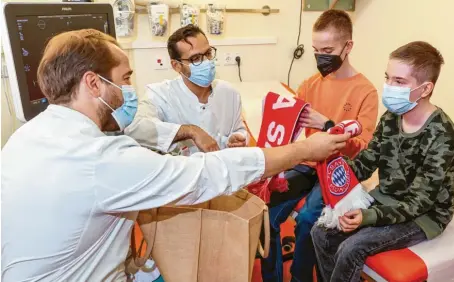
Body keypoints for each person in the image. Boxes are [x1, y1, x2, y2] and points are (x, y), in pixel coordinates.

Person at [0, 29, 350, 282]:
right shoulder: (98, 158)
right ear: (93, 84)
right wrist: (304, 150)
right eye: (124, 79)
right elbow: (203, 174)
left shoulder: (26, 136)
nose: (128, 92)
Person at [311, 41, 454, 282]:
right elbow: (367, 161)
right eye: (388, 78)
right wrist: (333, 167)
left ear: (425, 89)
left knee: (352, 248)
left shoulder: (442, 135)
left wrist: (367, 216)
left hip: (425, 215)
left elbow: (419, 203)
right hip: (387, 199)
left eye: (399, 82)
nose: (389, 87)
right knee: (321, 233)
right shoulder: (391, 118)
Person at [261, 10, 379, 282]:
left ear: (348, 46)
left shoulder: (365, 92)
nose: (320, 57)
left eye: (327, 49)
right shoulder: (309, 85)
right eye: (316, 50)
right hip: (308, 163)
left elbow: (362, 150)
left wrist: (328, 125)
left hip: (339, 170)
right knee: (264, 213)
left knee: (307, 221)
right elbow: (291, 132)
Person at [125, 25, 247, 155]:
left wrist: (238, 137)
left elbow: (239, 129)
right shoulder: (160, 95)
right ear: (176, 66)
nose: (206, 62)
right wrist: (190, 131)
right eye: (195, 58)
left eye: (208, 53)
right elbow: (135, 128)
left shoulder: (229, 93)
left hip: (224, 170)